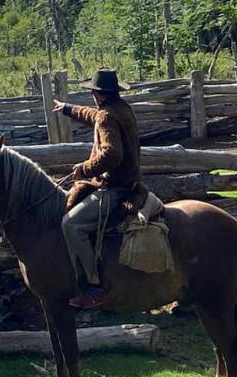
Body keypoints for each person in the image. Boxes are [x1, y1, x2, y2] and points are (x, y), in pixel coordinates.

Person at [52, 69, 141, 309]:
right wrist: (68, 109)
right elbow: (95, 115)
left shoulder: (107, 117)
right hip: (130, 183)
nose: (91, 94)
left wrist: (85, 168)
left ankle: (93, 287)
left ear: (98, 94)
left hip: (115, 189)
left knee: (71, 224)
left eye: (93, 91)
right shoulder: (121, 109)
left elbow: (112, 154)